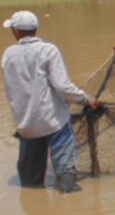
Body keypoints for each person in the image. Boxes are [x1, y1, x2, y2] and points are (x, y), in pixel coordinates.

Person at [2, 11, 99, 193]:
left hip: (26, 125)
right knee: (65, 177)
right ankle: (68, 198)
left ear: (16, 31)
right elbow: (62, 87)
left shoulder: (8, 55)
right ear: (35, 29)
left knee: (30, 184)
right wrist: (87, 100)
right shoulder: (48, 50)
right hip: (53, 122)